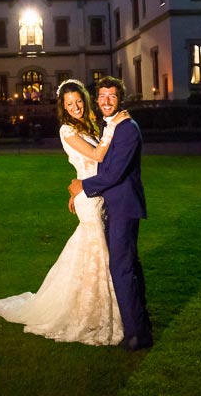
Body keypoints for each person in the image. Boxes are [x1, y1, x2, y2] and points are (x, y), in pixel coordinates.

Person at [0, 79, 128, 345]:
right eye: (69, 104)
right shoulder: (66, 130)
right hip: (90, 197)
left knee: (93, 251)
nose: (75, 107)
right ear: (62, 107)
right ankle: (91, 311)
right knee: (97, 250)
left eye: (78, 101)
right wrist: (114, 125)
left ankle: (95, 304)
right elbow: (98, 157)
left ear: (84, 101)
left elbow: (92, 164)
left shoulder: (85, 125)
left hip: (93, 192)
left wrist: (77, 186)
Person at [68, 76, 153, 351]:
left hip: (123, 206)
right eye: (102, 96)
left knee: (122, 267)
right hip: (113, 204)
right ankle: (140, 325)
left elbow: (114, 173)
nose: (105, 101)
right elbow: (102, 162)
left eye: (111, 96)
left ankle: (137, 335)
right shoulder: (112, 126)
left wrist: (83, 186)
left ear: (120, 100)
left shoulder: (127, 129)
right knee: (127, 265)